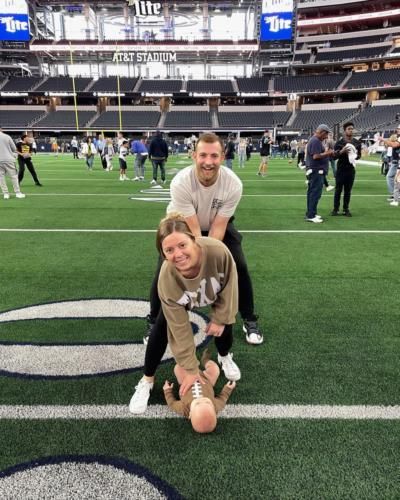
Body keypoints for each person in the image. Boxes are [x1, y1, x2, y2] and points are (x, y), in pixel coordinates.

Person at [146, 132, 263, 346]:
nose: (208, 162)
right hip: (183, 226)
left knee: (240, 266)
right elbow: (194, 232)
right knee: (163, 269)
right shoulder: (181, 182)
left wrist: (211, 263)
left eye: (214, 156)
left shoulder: (233, 184)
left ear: (222, 156)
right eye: (203, 155)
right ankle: (154, 320)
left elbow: (218, 228)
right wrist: (197, 265)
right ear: (194, 156)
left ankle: (249, 318)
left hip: (216, 223)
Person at [129, 213, 241, 414]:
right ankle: (147, 380)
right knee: (162, 327)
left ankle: (224, 356)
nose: (178, 254)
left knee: (225, 326)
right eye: (169, 250)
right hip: (183, 298)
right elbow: (180, 329)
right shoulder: (167, 278)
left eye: (182, 245)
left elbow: (230, 287)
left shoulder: (218, 252)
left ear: (193, 239)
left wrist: (221, 319)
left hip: (213, 292)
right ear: (163, 254)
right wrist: (190, 370)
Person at [163, 350, 236, 433]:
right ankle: (205, 360)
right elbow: (223, 398)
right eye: (207, 402)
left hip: (186, 380)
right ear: (214, 411)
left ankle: (183, 356)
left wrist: (167, 390)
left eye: (197, 404)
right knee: (215, 369)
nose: (202, 399)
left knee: (178, 368)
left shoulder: (183, 409)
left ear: (190, 415)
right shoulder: (217, 406)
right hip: (206, 379)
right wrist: (228, 388)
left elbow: (172, 403)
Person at [305, 124, 335, 223]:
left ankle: (311, 213)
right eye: (326, 134)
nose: (326, 137)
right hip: (316, 171)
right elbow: (316, 156)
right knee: (315, 193)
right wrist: (328, 153)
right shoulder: (315, 141)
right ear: (322, 132)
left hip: (315, 171)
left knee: (312, 193)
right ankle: (310, 215)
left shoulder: (315, 140)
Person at [331, 122, 362, 217]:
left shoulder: (357, 143)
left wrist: (354, 156)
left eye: (352, 129)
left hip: (351, 170)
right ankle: (335, 209)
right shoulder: (339, 142)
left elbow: (359, 156)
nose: (351, 130)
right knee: (338, 190)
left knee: (348, 191)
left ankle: (345, 209)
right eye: (349, 129)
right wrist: (342, 151)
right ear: (344, 131)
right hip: (341, 169)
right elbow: (334, 157)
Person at [0, 128, 25, 200]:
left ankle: (6, 194)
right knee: (14, 176)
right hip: (8, 159)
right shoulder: (7, 136)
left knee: (1, 177)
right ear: (1, 129)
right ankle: (17, 193)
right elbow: (14, 149)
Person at [383, 127, 400, 202]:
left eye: (399, 129)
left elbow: (394, 145)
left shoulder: (398, 140)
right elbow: (391, 145)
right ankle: (395, 194)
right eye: (397, 129)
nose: (397, 130)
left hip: (397, 162)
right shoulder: (397, 138)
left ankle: (395, 194)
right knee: (393, 177)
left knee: (391, 177)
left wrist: (382, 139)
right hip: (395, 161)